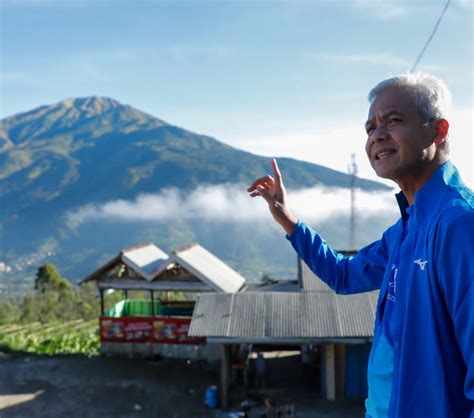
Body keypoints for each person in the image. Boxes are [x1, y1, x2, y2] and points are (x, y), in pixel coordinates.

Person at [247, 73, 473, 418]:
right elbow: (344, 275)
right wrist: (287, 220)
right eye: (370, 128)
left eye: (393, 121)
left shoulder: (458, 223)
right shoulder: (407, 228)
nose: (376, 136)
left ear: (438, 131)